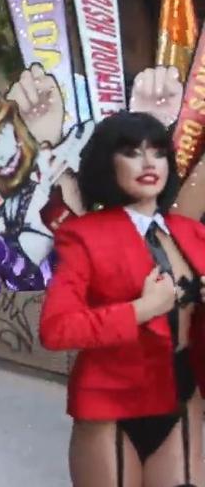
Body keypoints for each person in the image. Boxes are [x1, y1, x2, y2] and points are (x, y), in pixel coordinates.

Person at [40, 112, 205, 486]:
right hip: (111, 406)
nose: (148, 163)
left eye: (158, 152)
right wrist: (142, 309)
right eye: (132, 152)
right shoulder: (83, 236)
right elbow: (56, 329)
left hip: (182, 400)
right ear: (107, 163)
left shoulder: (192, 234)